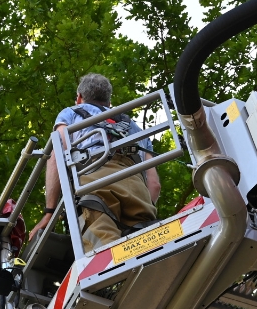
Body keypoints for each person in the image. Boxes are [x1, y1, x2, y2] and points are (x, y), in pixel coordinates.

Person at [30, 74, 161, 252]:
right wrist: (146, 204)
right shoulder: (133, 127)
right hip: (136, 188)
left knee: (107, 256)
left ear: (79, 97)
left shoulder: (71, 113)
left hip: (96, 186)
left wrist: (49, 213)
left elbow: (59, 153)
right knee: (148, 248)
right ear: (108, 102)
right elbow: (154, 185)